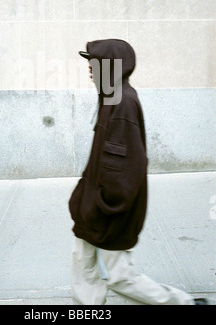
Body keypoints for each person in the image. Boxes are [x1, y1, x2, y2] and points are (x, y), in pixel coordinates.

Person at [68, 39, 207, 306]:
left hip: (107, 209)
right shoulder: (112, 97)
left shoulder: (122, 103)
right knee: (82, 264)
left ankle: (183, 303)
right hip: (93, 205)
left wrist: (104, 203)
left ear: (110, 66)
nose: (88, 67)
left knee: (121, 276)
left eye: (93, 62)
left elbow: (123, 168)